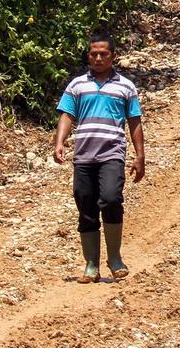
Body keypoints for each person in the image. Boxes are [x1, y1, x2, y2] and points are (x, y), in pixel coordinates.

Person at [53, 27, 145, 283]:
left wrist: (140, 156)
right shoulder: (77, 85)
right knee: (86, 206)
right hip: (83, 156)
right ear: (88, 56)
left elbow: (134, 121)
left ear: (113, 56)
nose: (98, 59)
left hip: (111, 154)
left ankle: (115, 258)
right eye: (94, 54)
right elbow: (67, 115)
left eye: (103, 54)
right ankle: (91, 264)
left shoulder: (126, 87)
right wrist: (59, 142)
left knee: (111, 199)